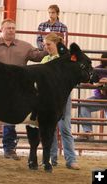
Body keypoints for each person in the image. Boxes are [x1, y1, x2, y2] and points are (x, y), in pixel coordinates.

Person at [0, 18, 48, 161]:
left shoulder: (25, 46)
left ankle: (9, 149)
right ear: (1, 30)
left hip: (15, 88)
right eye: (8, 28)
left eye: (13, 28)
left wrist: (48, 48)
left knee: (12, 118)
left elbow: (38, 57)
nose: (11, 30)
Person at [41, 32, 80, 170]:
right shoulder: (45, 59)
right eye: (45, 45)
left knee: (65, 128)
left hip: (63, 97)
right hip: (48, 98)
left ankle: (71, 160)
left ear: (56, 44)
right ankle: (51, 159)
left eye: (49, 44)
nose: (46, 47)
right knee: (50, 129)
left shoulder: (66, 59)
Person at [78, 53, 107, 140]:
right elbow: (88, 80)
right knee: (83, 105)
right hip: (100, 98)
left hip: (103, 97)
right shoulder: (98, 69)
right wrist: (97, 84)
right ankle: (88, 133)